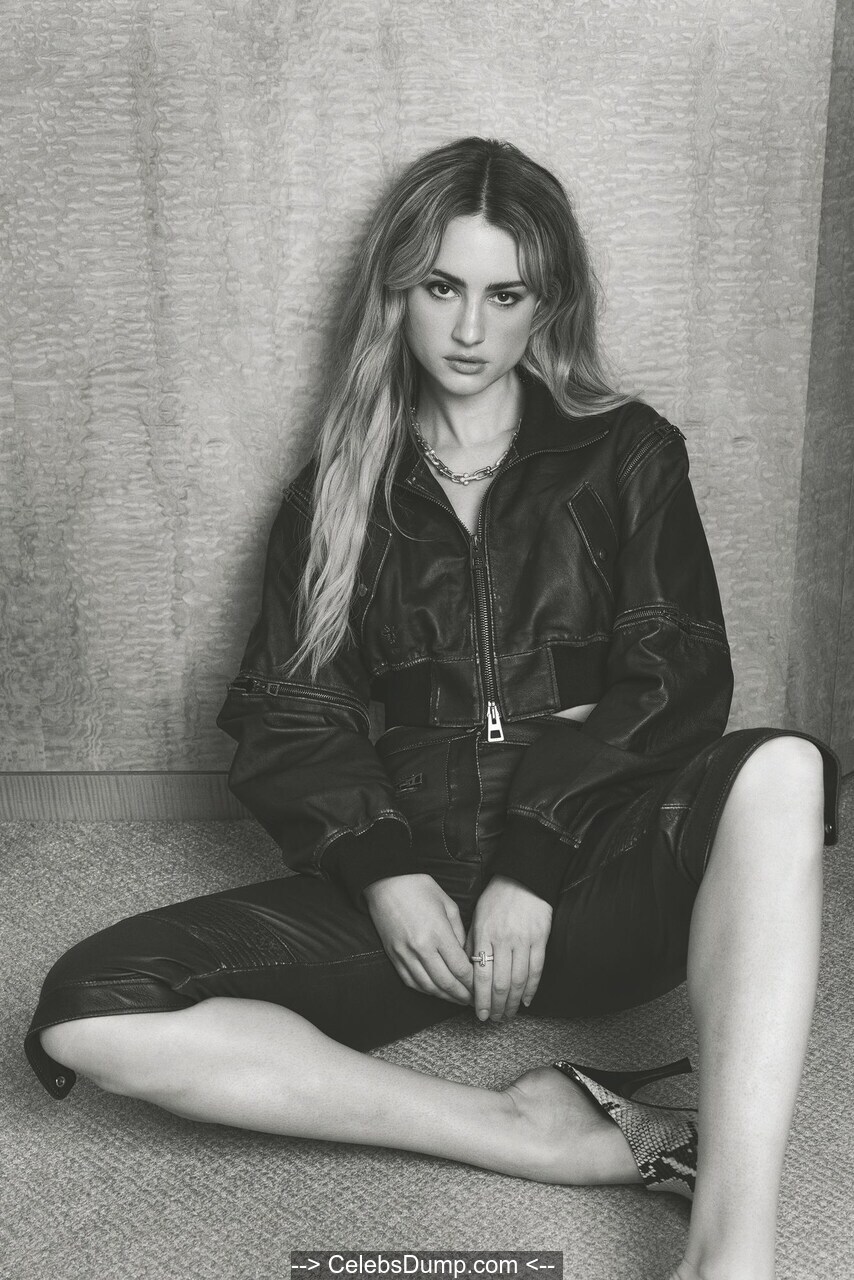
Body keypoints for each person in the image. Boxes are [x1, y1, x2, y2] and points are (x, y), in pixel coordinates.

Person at [27, 137, 840, 1280]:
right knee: (88, 1009)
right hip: (419, 905)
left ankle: (728, 1251)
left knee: (784, 768)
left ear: (545, 304)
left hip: (594, 882)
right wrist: (382, 869)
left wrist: (537, 856)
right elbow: (292, 710)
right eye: (440, 287)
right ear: (396, 294)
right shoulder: (335, 489)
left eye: (504, 295)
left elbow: (673, 675)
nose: (468, 329)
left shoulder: (625, 453)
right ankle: (527, 1129)